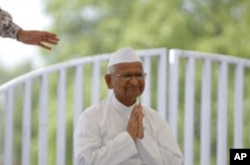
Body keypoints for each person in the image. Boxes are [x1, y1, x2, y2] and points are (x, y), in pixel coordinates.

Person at [74, 47, 183, 165]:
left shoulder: (154, 118)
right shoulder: (92, 116)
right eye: (127, 76)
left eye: (139, 75)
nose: (135, 82)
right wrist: (128, 138)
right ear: (109, 81)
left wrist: (143, 140)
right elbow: (85, 162)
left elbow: (176, 162)